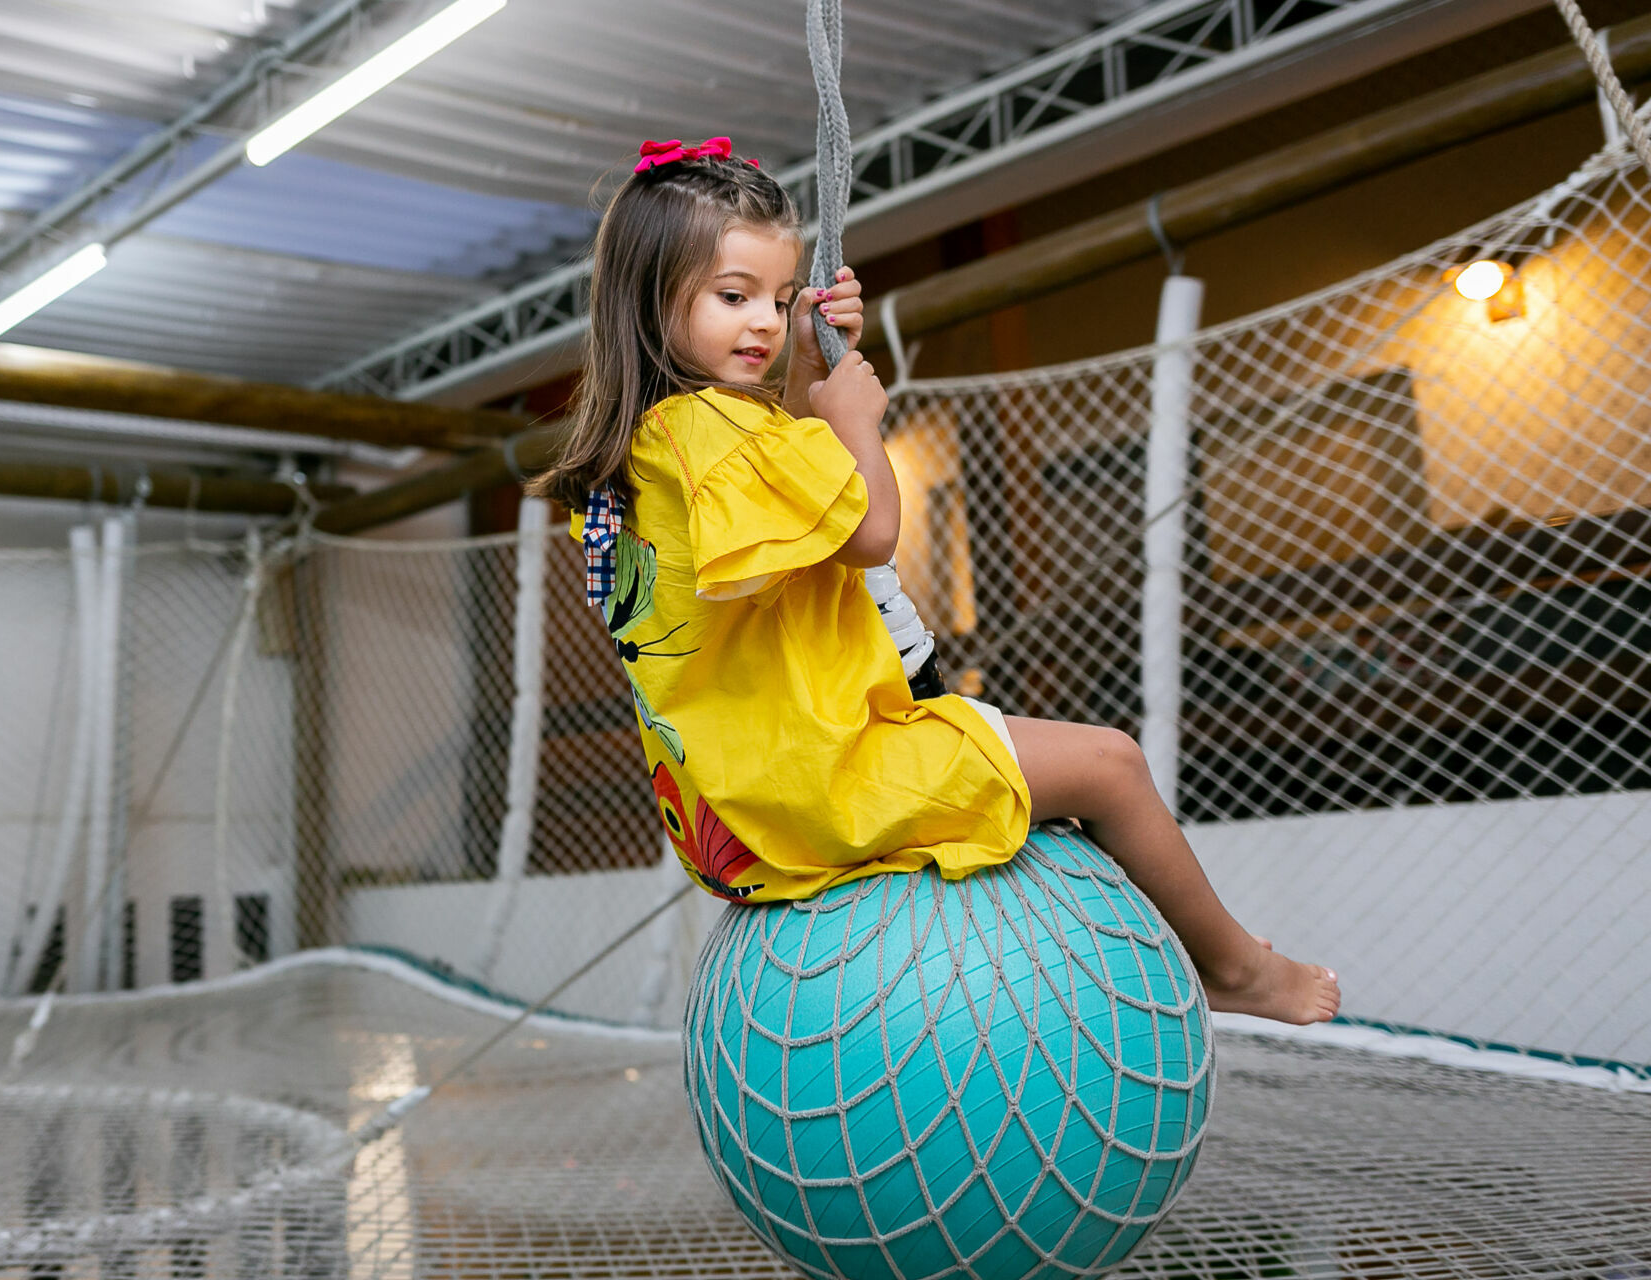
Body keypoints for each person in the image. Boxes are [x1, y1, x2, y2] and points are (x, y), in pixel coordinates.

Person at [527, 136, 1339, 1026]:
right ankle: (1234, 972)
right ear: (652, 298)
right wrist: (858, 421)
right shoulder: (709, 431)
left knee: (1057, 769)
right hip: (825, 785)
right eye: (733, 297)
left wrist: (807, 374)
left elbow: (792, 511)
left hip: (733, 822)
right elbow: (869, 533)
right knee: (1111, 765)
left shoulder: (650, 447)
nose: (763, 321)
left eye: (780, 297)